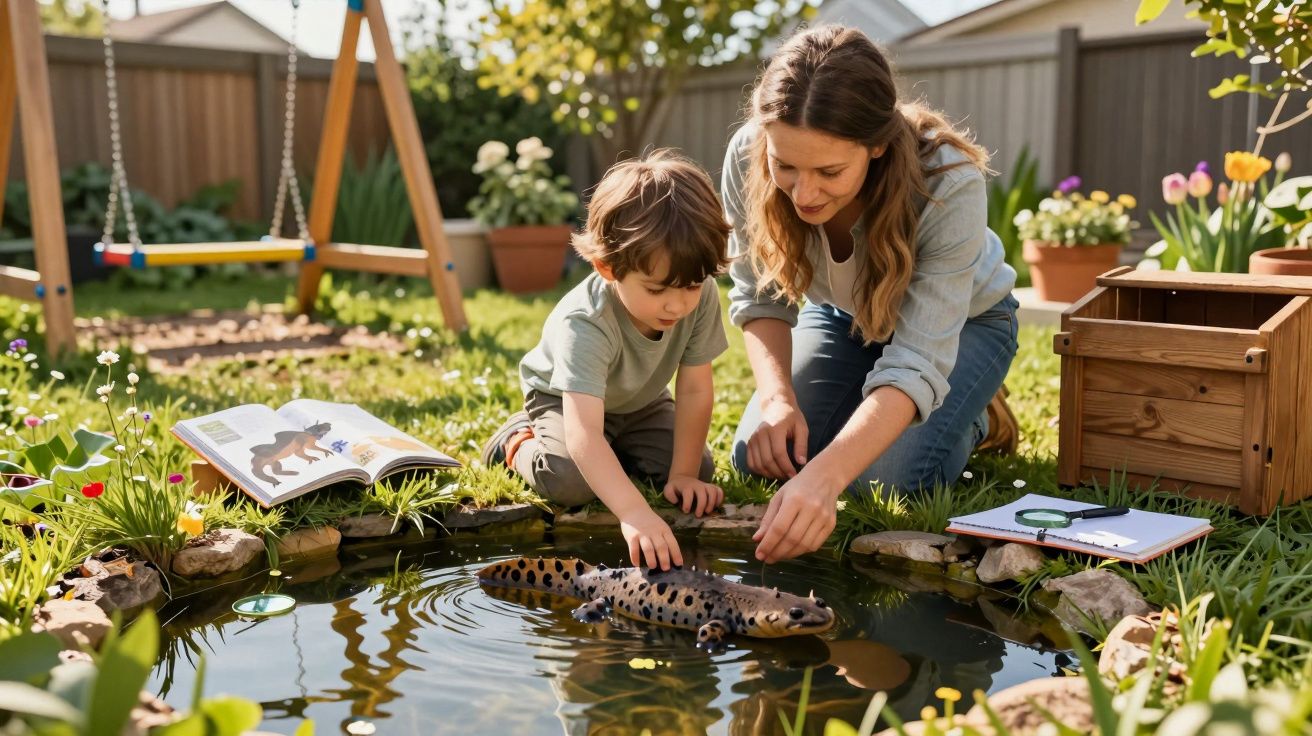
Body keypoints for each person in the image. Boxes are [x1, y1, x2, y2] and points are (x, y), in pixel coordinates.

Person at [722, 25, 1020, 565]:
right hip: (845, 318)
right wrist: (777, 400)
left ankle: (972, 411)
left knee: (882, 481)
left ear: (877, 145)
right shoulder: (748, 155)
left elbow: (916, 358)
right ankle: (880, 402)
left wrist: (827, 476)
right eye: (785, 166)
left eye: (829, 171)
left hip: (964, 326)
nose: (804, 194)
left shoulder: (949, 183)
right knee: (760, 456)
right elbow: (759, 297)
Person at [482, 149, 732, 571]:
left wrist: (684, 474)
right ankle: (514, 440)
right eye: (657, 290)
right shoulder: (586, 322)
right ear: (607, 268)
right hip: (564, 401)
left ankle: (615, 455)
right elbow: (584, 432)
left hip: (641, 401)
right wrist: (634, 513)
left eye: (690, 285)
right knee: (569, 481)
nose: (677, 305)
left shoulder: (700, 293)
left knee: (698, 470)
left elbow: (693, 390)